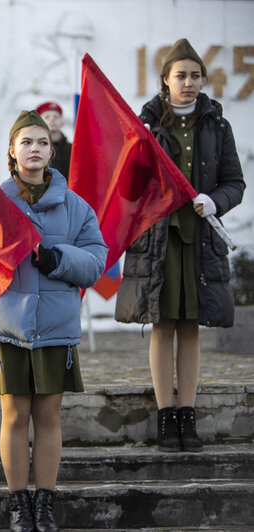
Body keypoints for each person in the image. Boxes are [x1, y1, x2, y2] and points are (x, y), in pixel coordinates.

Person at [0, 111, 107, 532]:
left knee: (49, 414)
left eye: (42, 142)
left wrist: (57, 258)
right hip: (7, 324)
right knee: (14, 414)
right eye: (25, 142)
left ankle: (45, 501)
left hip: (55, 323)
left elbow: (94, 262)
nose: (34, 149)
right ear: (11, 152)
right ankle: (19, 503)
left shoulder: (77, 207)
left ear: (53, 151)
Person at [115, 38, 245, 453]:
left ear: (203, 80)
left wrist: (215, 200)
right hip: (159, 239)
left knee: (190, 327)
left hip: (200, 239)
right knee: (163, 323)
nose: (188, 83)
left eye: (194, 75)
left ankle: (188, 415)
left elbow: (234, 183)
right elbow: (129, 186)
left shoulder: (218, 126)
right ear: (165, 80)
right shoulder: (147, 127)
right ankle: (165, 415)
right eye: (180, 75)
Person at [35, 101, 72, 180]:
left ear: (62, 123)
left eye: (56, 117)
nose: (52, 120)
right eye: (47, 117)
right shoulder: (35, 149)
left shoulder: (72, 149)